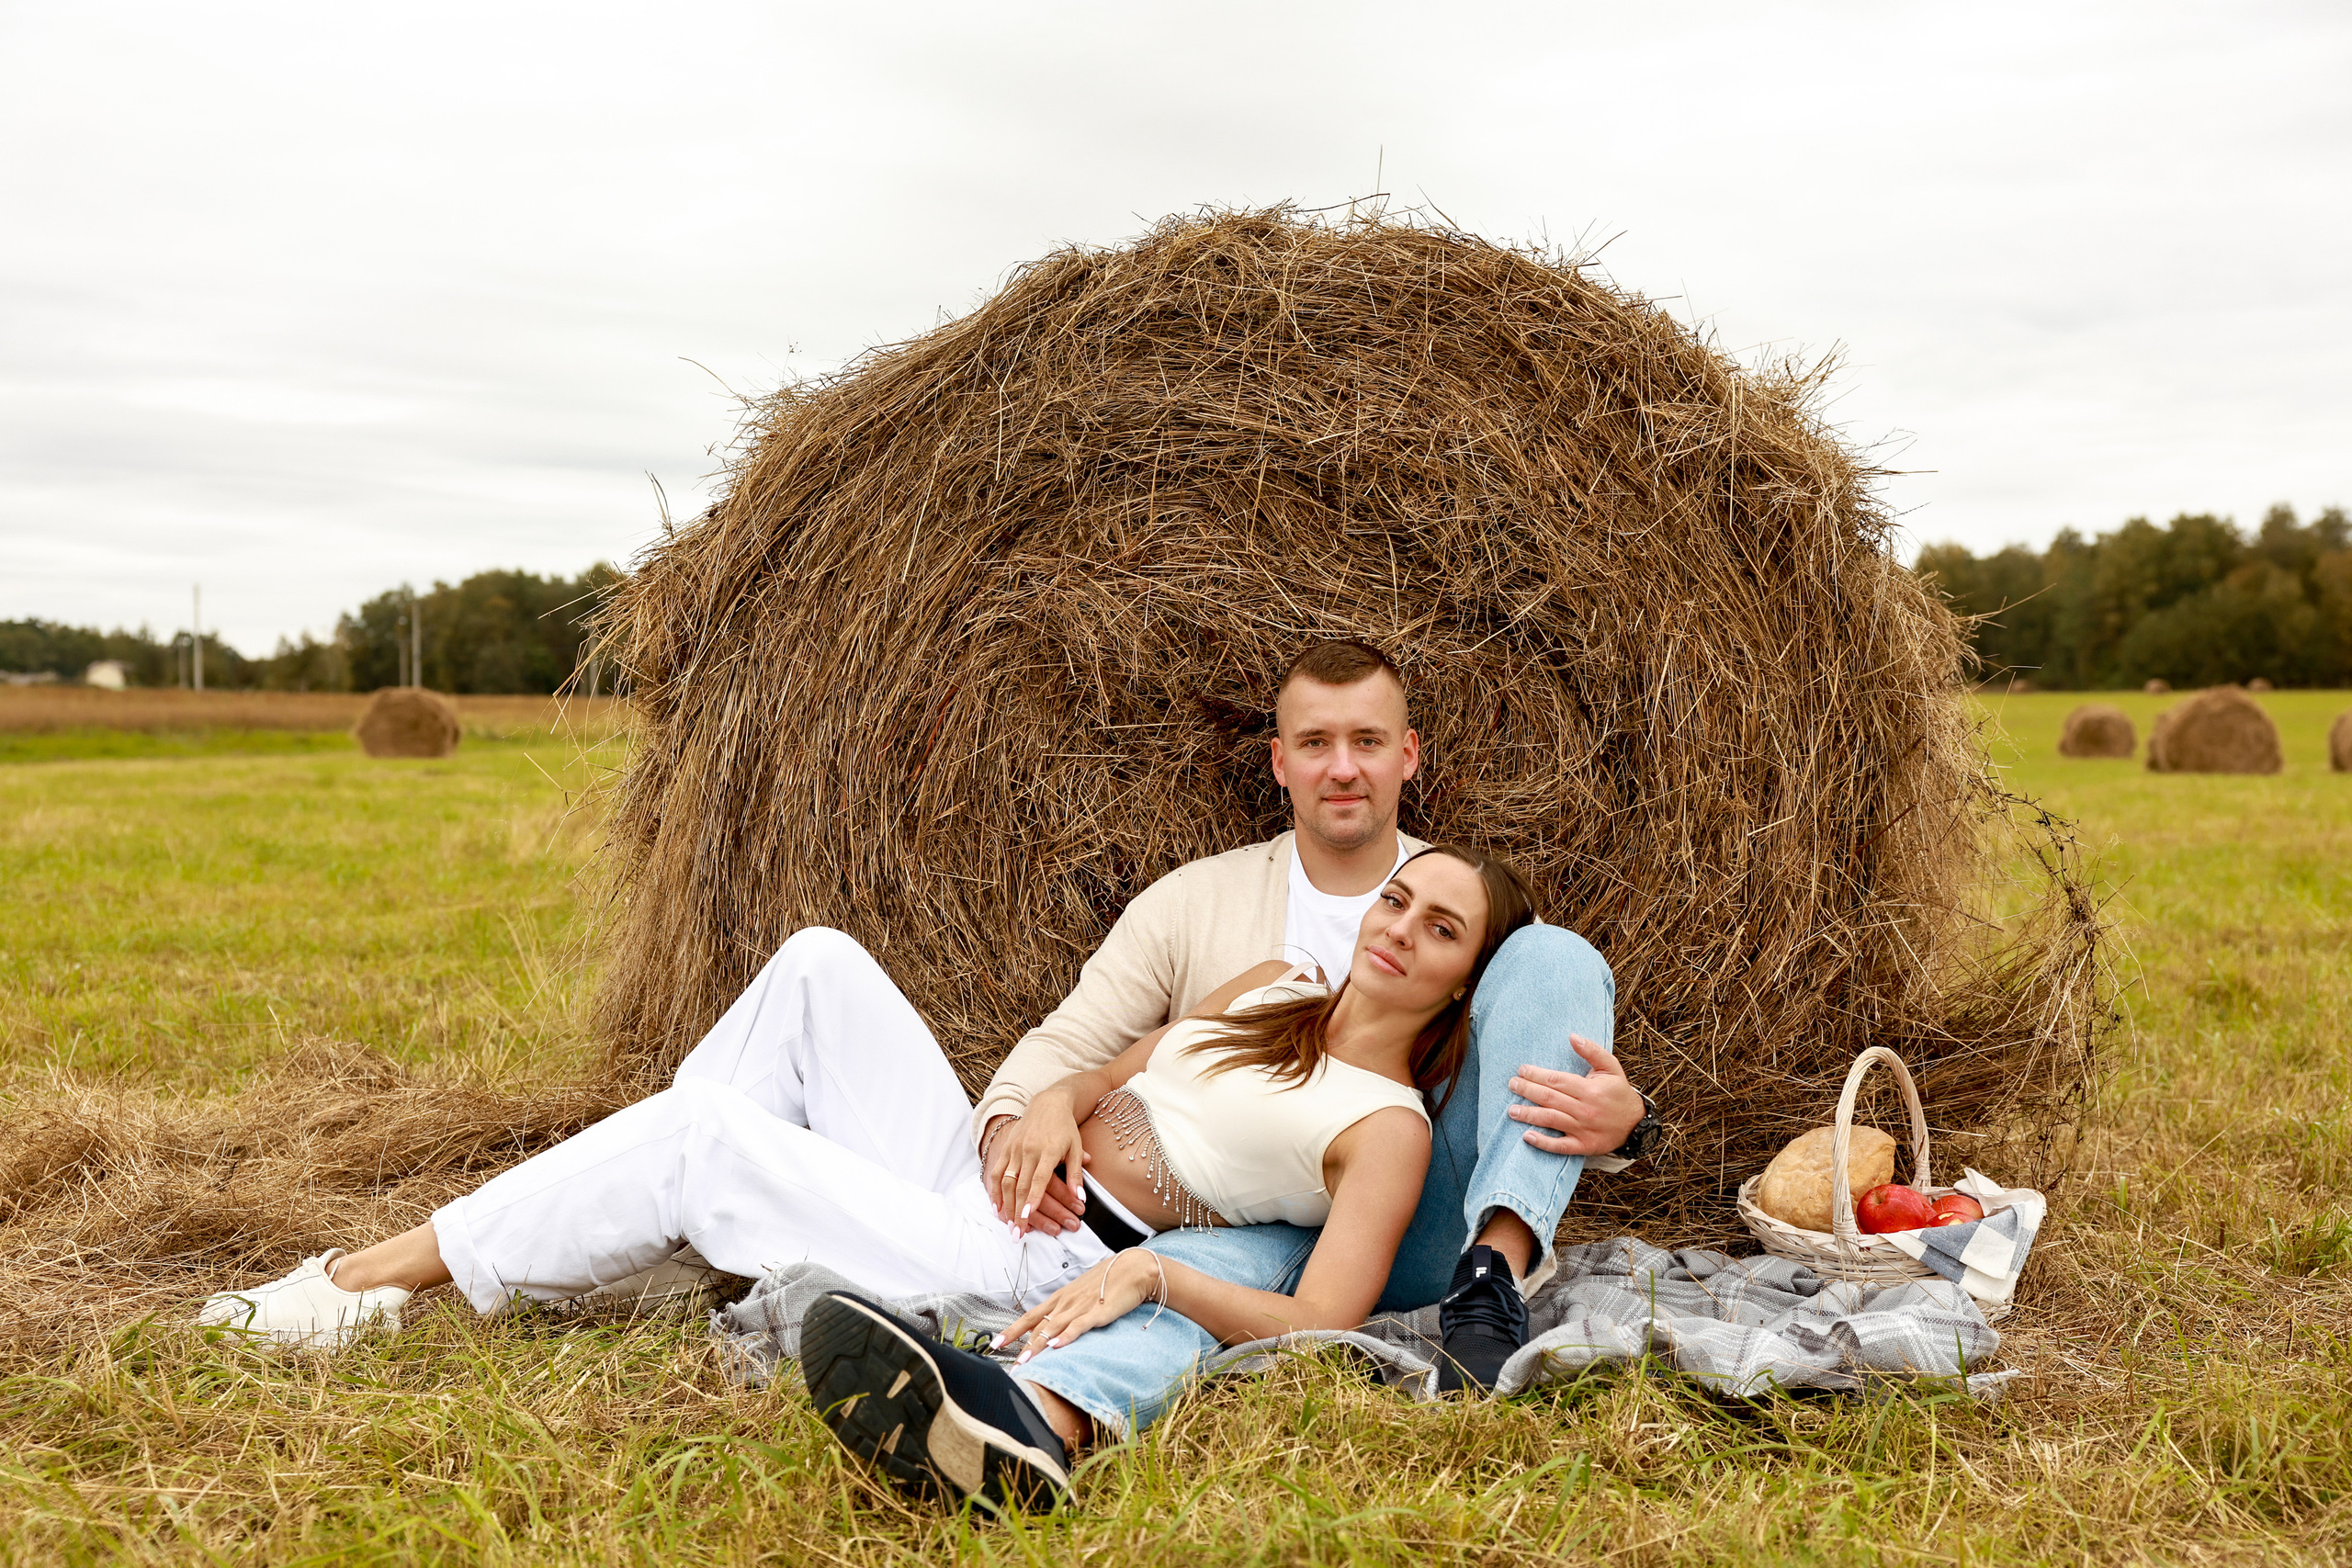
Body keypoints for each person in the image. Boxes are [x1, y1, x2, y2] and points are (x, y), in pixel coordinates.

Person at [971, 640, 1654, 1394]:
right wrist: (1018, 1132)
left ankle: (1491, 1272)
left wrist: (1628, 1124)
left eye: (1367, 741)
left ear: (1408, 754)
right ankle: (1034, 1398)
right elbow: (1078, 1039)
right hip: (1235, 1218)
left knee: (1553, 952)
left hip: (1405, 1199)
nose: (1342, 767)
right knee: (1190, 1273)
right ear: (1279, 761)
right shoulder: (1195, 900)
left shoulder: (1459, 900)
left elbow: (1544, 1026)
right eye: (1315, 743)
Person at [801, 841, 1533, 1512]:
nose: (1401, 928)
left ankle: (999, 1421)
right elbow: (1113, 1074)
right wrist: (1053, 1100)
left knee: (700, 1134)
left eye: (1442, 928)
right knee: (819, 962)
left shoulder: (1387, 1125)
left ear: (1467, 981)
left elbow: (1322, 1317)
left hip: (1044, 1242)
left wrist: (1158, 1275)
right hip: (997, 1178)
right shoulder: (1278, 982)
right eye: (1396, 899)